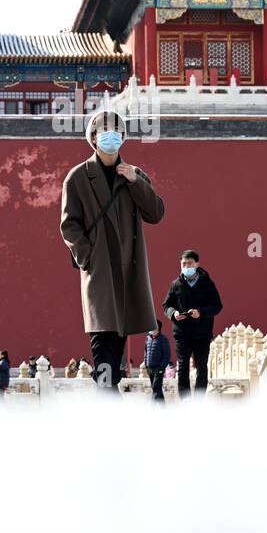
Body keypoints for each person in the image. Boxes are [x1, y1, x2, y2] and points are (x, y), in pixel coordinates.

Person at [60, 109, 165, 390]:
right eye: (103, 130)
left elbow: (156, 213)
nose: (110, 135)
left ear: (123, 136)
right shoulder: (78, 177)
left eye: (115, 130)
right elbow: (69, 225)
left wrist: (136, 181)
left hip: (128, 272)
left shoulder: (134, 174)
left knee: (115, 346)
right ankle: (107, 398)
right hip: (100, 273)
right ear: (93, 138)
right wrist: (88, 258)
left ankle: (107, 394)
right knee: (102, 343)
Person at [162, 249, 223, 398]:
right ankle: (185, 401)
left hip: (202, 334)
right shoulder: (176, 284)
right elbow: (166, 306)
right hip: (182, 334)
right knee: (182, 367)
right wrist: (174, 314)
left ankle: (199, 400)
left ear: (197, 264)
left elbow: (217, 306)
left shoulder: (207, 284)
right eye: (183, 264)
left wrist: (200, 312)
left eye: (189, 263)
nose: (186, 266)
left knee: (201, 367)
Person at [144, 319, 171, 403]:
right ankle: (163, 406)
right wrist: (146, 364)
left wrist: (162, 367)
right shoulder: (148, 338)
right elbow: (145, 352)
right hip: (150, 368)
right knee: (156, 388)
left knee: (156, 387)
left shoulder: (163, 339)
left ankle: (153, 407)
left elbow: (167, 355)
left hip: (158, 368)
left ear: (157, 328)